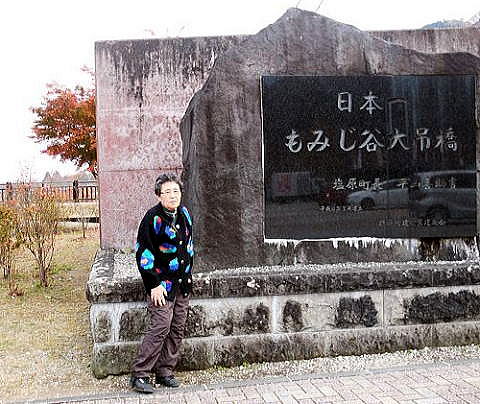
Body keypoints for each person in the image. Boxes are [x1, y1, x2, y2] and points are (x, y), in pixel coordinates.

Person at [130, 173, 194, 394]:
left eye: (176, 191)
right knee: (160, 327)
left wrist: (188, 276)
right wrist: (153, 284)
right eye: (167, 192)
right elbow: (143, 253)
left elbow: (189, 247)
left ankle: (165, 371)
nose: (172, 195)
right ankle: (140, 374)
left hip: (182, 284)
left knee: (177, 328)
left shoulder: (184, 214)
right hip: (161, 286)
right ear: (159, 195)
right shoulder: (152, 218)